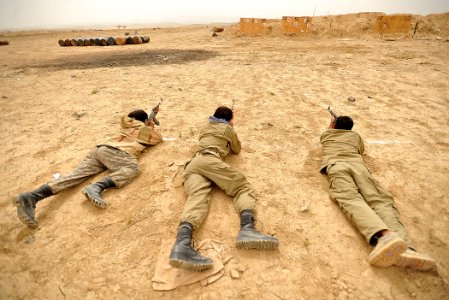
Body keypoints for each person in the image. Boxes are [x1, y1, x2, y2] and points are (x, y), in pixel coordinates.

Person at [320, 114, 436, 271]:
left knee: (350, 198)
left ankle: (385, 236)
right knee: (380, 201)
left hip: (338, 166)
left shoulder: (326, 135)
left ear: (333, 125)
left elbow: (331, 131)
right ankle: (407, 248)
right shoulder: (356, 137)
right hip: (360, 168)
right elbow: (360, 149)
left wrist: (333, 123)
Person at [169, 106, 279, 271]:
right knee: (242, 186)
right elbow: (236, 149)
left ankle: (181, 245)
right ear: (229, 119)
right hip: (210, 160)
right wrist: (231, 129)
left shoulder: (205, 127)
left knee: (197, 197)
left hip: (193, 164)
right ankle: (247, 229)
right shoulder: (227, 128)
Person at [13, 108, 163, 228]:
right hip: (115, 152)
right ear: (144, 120)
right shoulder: (143, 128)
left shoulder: (126, 125)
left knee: (75, 175)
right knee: (132, 168)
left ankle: (33, 196)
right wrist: (149, 125)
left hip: (98, 150)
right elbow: (157, 139)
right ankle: (97, 187)